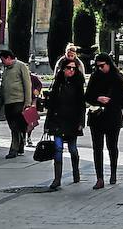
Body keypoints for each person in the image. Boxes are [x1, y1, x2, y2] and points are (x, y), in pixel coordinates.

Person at [85, 53, 123, 189]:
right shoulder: (95, 76)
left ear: (108, 63)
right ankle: (99, 178)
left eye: (102, 65)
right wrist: (98, 99)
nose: (100, 68)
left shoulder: (117, 77)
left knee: (112, 146)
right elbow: (87, 96)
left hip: (113, 116)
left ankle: (113, 173)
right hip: (96, 116)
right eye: (98, 66)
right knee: (97, 148)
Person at [45, 57, 86, 190]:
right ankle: (57, 179)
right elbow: (51, 105)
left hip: (72, 121)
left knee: (73, 149)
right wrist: (47, 123)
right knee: (58, 148)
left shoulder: (78, 83)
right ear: (63, 69)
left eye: (74, 68)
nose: (71, 71)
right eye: (69, 68)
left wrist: (81, 121)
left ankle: (75, 171)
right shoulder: (58, 83)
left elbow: (81, 104)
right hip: (57, 120)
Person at [0, 49, 32, 158]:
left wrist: (27, 102)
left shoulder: (21, 66)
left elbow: (27, 84)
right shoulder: (6, 70)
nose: (2, 62)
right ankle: (20, 144)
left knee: (15, 126)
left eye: (3, 60)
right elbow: (3, 86)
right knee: (14, 125)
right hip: (8, 102)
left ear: (8, 58)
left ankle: (14, 148)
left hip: (18, 101)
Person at [26, 73, 43, 146]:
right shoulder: (18, 77)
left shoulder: (32, 78)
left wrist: (37, 90)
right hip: (21, 101)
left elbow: (39, 84)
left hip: (31, 100)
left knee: (31, 121)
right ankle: (23, 138)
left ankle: (28, 137)